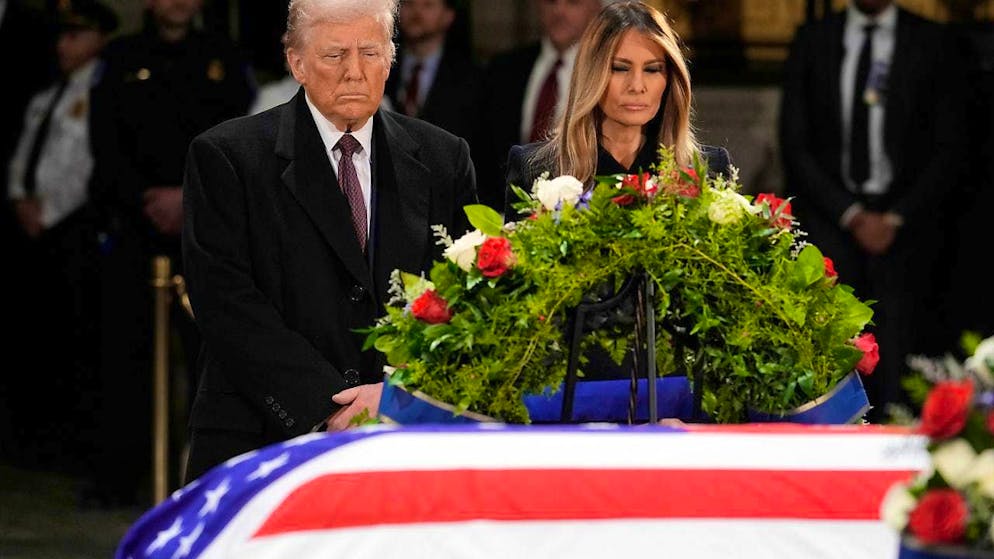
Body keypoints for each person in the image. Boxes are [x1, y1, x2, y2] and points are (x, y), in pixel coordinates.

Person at [181, 0, 477, 482]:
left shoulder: (445, 158)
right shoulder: (227, 156)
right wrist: (329, 405)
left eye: (370, 52)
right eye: (335, 55)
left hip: (402, 434)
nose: (354, 73)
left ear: (391, 58)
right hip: (261, 438)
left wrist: (397, 395)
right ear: (296, 62)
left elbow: (462, 298)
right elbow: (225, 303)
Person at [504, 1, 730, 390]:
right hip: (573, 393)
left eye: (652, 70)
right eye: (620, 68)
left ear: (670, 78)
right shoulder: (536, 170)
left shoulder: (706, 171)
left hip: (676, 392)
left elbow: (721, 307)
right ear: (593, 73)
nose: (637, 86)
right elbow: (519, 307)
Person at [85, 0, 255, 506]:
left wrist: (189, 197)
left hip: (207, 233)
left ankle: (208, 484)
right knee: (123, 358)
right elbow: (105, 142)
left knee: (216, 362)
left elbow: (241, 140)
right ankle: (118, 478)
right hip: (135, 228)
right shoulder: (119, 57)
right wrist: (148, 200)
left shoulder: (224, 55)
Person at [778, 0, 965, 421]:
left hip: (911, 227)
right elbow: (796, 142)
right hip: (831, 222)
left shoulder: (932, 42)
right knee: (833, 352)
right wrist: (852, 215)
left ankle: (902, 452)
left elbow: (950, 145)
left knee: (904, 353)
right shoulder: (814, 40)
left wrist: (897, 217)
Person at [4, 0, 117, 471]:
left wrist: (46, 213)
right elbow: (25, 155)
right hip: (30, 227)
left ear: (99, 39)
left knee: (74, 335)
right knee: (33, 334)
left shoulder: (99, 92)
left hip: (72, 226)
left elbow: (83, 166)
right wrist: (18, 199)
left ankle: (69, 445)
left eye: (76, 35)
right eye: (61, 36)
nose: (63, 45)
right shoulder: (47, 94)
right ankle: (32, 439)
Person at [479, 0, 604, 213]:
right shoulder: (504, 69)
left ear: (595, 7)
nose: (559, 11)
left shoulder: (606, 73)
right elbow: (484, 151)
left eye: (573, 3)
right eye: (550, 1)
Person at [384, 0, 482, 147]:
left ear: (449, 16)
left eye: (427, 5)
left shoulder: (473, 79)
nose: (416, 13)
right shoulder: (380, 68)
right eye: (409, 4)